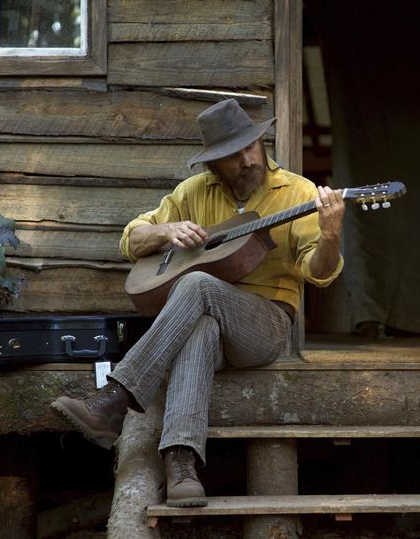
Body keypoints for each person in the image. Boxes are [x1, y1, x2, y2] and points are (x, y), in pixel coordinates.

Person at [51, 98, 345, 507]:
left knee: (197, 283)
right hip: (206, 320)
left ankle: (116, 399)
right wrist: (166, 232)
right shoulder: (193, 192)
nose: (247, 160)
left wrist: (330, 236)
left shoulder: (298, 192)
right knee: (199, 327)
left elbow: (319, 272)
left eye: (251, 147)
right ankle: (181, 462)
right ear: (213, 163)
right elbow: (131, 238)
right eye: (233, 155)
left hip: (265, 324)